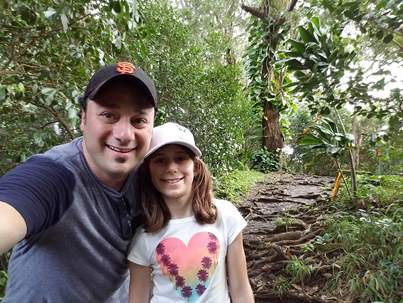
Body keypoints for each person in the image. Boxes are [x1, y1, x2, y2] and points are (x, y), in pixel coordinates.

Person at [0, 61, 157, 302]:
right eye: (108, 115)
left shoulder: (151, 178)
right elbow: (11, 208)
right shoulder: (56, 175)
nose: (124, 134)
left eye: (139, 120)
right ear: (83, 118)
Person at [127, 122, 254, 303]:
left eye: (180, 158)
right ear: (148, 170)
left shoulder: (226, 216)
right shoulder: (143, 237)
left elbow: (241, 290)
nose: (171, 167)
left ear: (195, 166)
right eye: (160, 160)